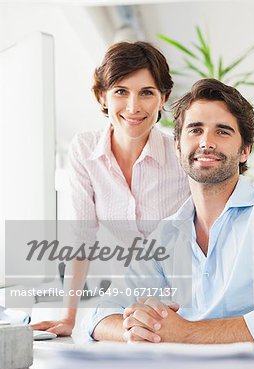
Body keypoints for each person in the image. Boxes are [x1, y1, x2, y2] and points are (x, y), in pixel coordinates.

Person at [89, 78, 254, 344]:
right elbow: (100, 312)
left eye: (222, 131)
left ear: (244, 150)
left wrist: (187, 333)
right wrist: (135, 329)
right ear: (177, 146)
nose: (206, 142)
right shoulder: (163, 236)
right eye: (195, 130)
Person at [32, 41, 190, 337]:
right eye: (120, 91)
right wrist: (69, 316)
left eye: (147, 92)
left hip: (181, 300)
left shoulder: (181, 154)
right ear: (102, 96)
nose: (133, 106)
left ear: (163, 98)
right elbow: (82, 238)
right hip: (118, 298)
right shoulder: (84, 149)